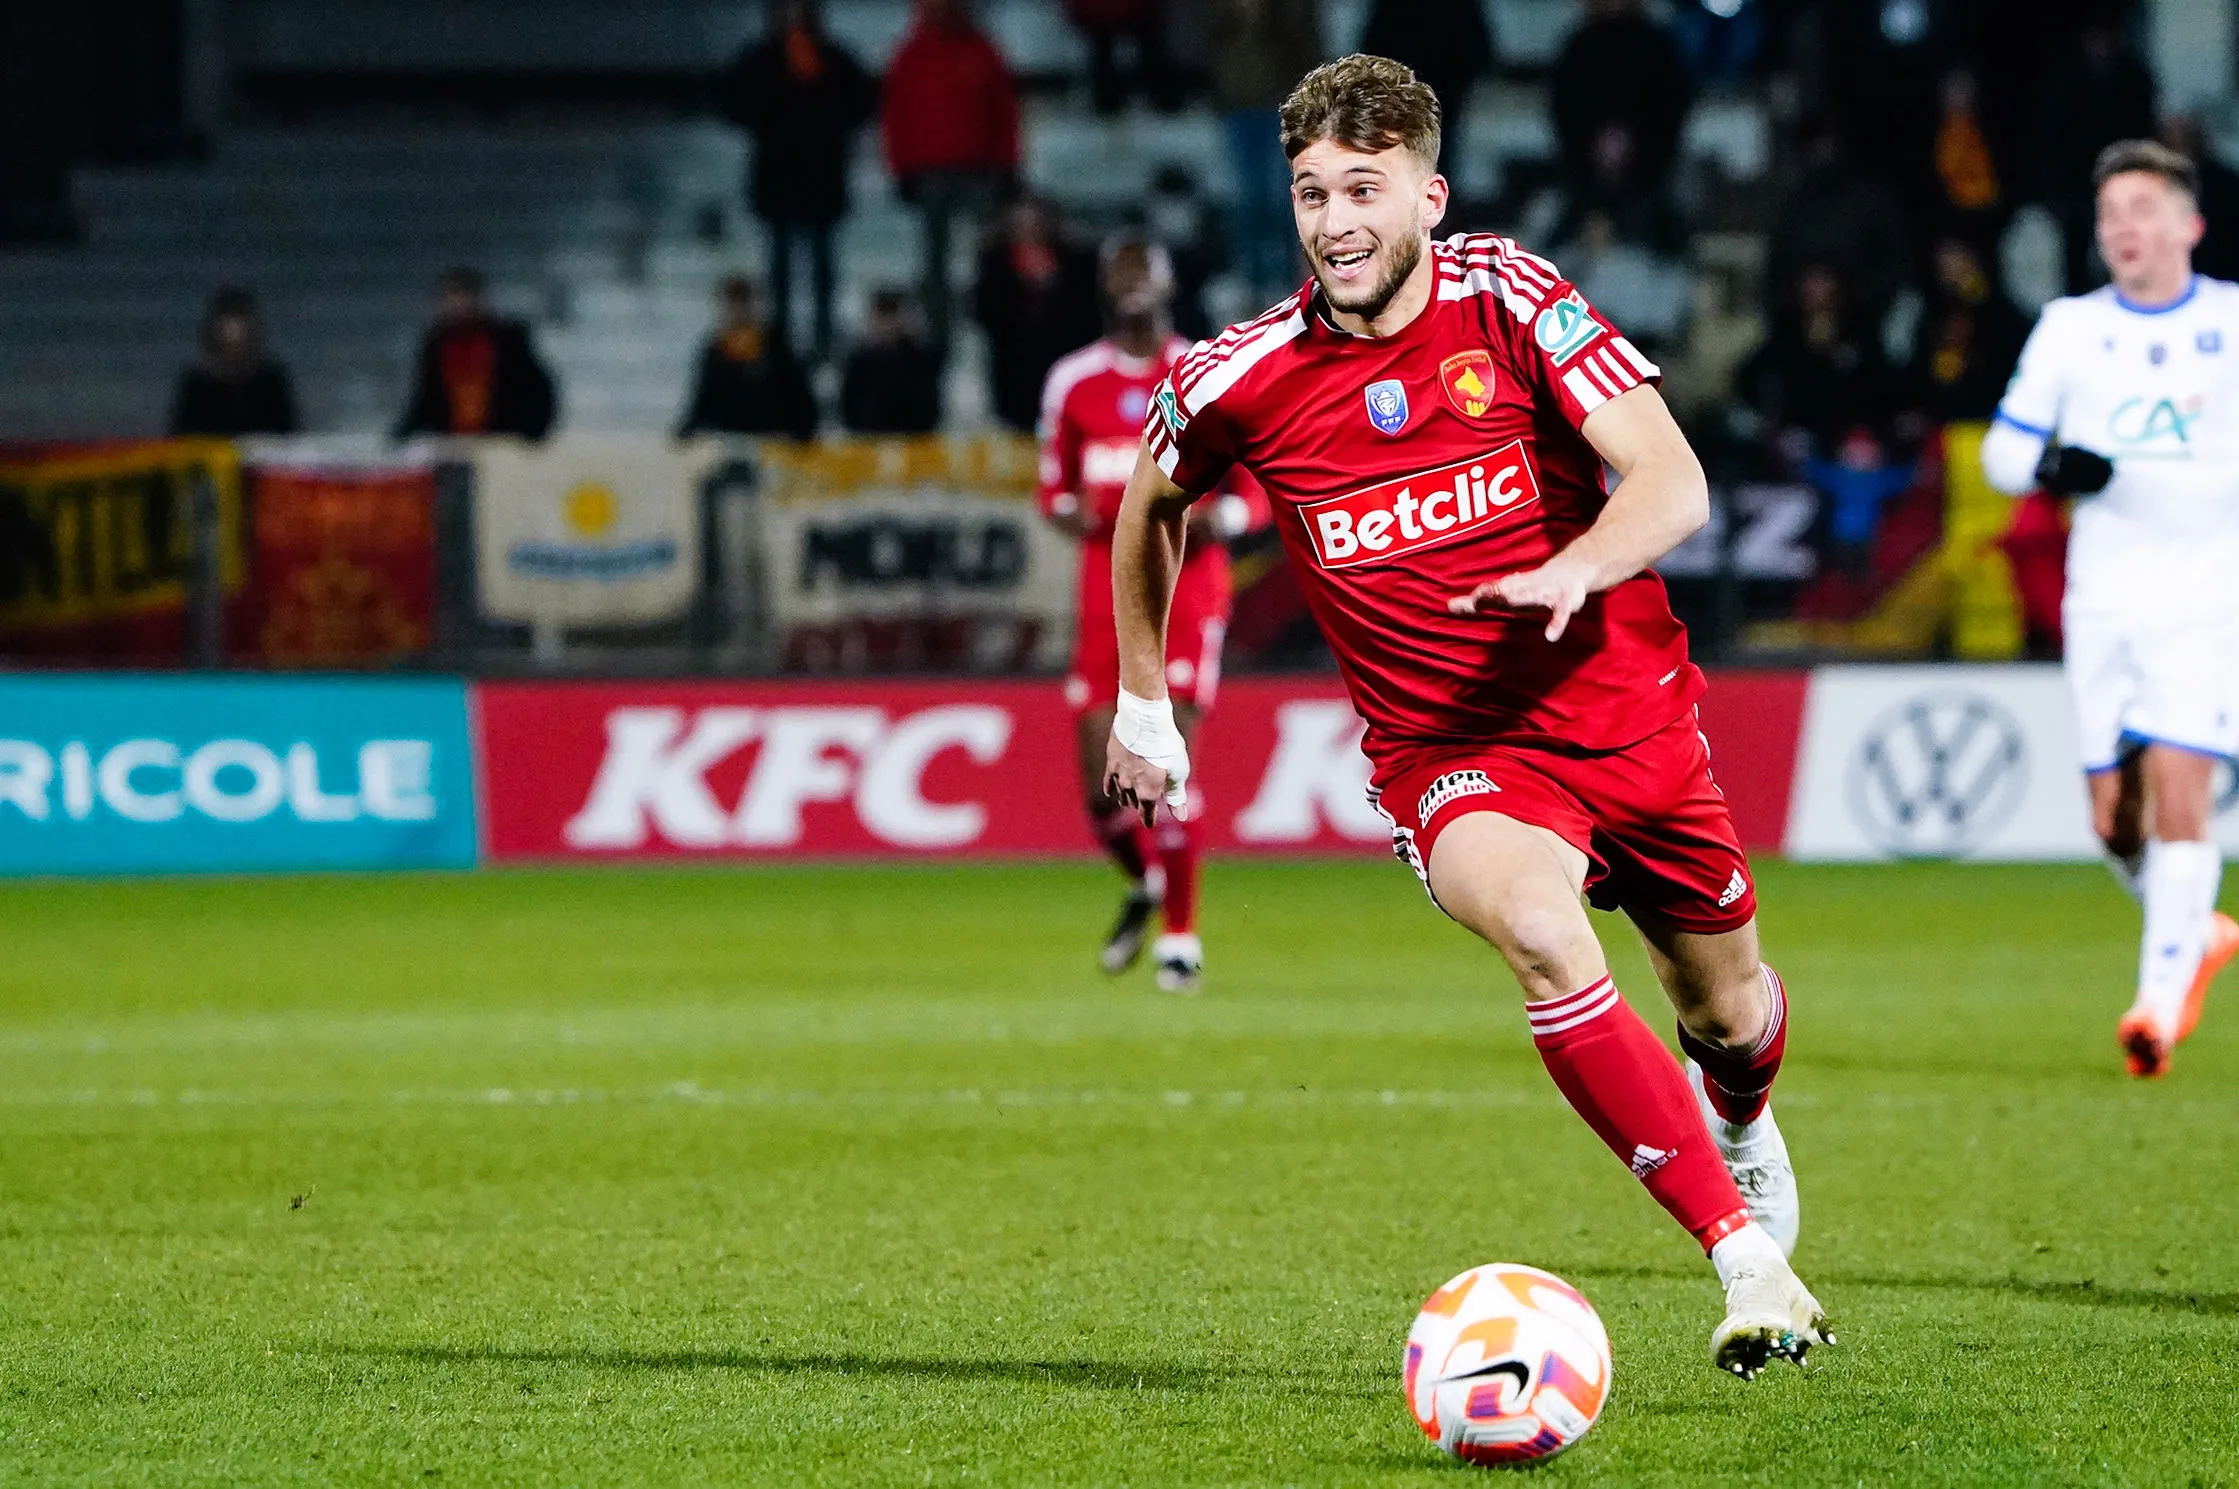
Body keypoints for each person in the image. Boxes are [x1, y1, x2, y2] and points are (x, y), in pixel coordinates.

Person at [1106, 53, 1830, 1374]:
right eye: (1311, 193)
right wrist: (1142, 695)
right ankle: (1742, 1258)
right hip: (1455, 759)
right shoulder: (1238, 375)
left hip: (1630, 719)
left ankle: (1737, 1119)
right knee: (1546, 937)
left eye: (1362, 190)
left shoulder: (1512, 299)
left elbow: (1669, 480)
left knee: (1725, 1008)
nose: (1333, 223)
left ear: (1427, 196)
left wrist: (1574, 567)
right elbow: (1145, 503)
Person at [1981, 139, 2239, 1078]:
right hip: (2104, 599)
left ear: (2187, 223)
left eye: (2141, 207)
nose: (2122, 227)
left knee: (2181, 794)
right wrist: (2053, 468)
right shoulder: (2068, 328)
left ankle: (2155, 1008)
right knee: (2112, 822)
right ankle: (2197, 933)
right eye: (2109, 214)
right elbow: (2002, 455)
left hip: (2210, 597)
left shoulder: (2232, 322)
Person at [1038, 237, 1242, 992]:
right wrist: (1091, 513)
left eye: (1144, 272)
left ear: (1166, 285)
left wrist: (1232, 516)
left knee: (1166, 759)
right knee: (1101, 790)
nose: (1131, 285)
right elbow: (1051, 492)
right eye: (1118, 272)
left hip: (1187, 590)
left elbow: (1251, 481)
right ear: (1102, 286)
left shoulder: (1205, 370)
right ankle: (1147, 881)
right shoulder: (1072, 382)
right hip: (1103, 590)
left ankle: (1179, 940)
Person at [717, 0, 877, 363]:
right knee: (780, 267)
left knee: (822, 268)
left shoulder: (833, 59)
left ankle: (822, 335)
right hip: (780, 178)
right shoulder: (761, 61)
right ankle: (784, 339)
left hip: (821, 177)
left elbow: (860, 104)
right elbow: (734, 103)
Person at [880, 0, 1021, 360]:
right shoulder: (912, 56)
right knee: (934, 265)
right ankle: (940, 340)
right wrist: (901, 168)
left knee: (989, 261)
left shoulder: (983, 52)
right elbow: (897, 116)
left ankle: (992, 334)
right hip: (930, 174)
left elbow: (1004, 114)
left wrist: (1007, 166)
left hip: (979, 173)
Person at [1208, 0, 1325, 305]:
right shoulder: (1223, 19)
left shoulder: (1285, 16)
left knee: (1281, 199)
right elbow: (1211, 56)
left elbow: (1305, 55)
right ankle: (1254, 281)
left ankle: (1290, 278)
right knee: (1249, 203)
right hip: (1238, 112)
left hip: (1278, 110)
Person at [973, 196, 1102, 434]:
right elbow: (984, 312)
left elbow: (1091, 313)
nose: (1028, 230)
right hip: (1016, 371)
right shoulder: (994, 263)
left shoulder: (1078, 261)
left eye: (1034, 222)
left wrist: (1052, 286)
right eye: (1021, 223)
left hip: (1066, 358)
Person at [1549, 0, 1691, 210]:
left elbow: (1670, 105)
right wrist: (1595, 141)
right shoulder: (1579, 45)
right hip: (1584, 162)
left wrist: (1632, 140)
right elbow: (1565, 104)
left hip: (1649, 165)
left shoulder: (1657, 45)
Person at [394, 268, 557, 440]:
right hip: (453, 441)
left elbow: (537, 389)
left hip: (500, 439)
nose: (458, 305)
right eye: (452, 298)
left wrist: (531, 431)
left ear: (478, 299)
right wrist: (405, 434)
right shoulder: (436, 344)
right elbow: (426, 397)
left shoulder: (506, 340)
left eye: (464, 297)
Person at [676, 275, 818, 439]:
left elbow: (802, 403)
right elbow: (700, 402)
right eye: (731, 305)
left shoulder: (777, 347)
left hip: (774, 440)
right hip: (729, 441)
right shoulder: (715, 351)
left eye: (743, 304)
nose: (738, 312)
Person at [169, 286, 298, 437]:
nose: (234, 356)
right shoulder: (196, 386)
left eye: (241, 348)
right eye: (228, 349)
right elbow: (181, 440)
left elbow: (288, 440)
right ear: (213, 343)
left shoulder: (271, 383)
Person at [839, 288, 944, 434]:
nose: (888, 325)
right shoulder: (860, 362)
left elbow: (929, 411)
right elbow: (849, 411)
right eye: (883, 317)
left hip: (913, 442)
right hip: (870, 442)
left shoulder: (921, 360)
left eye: (893, 317)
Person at [1066, 0, 1173, 115]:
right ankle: (1164, 97)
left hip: (1098, 11)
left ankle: (1107, 100)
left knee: (1102, 51)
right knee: (1149, 47)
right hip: (1136, 9)